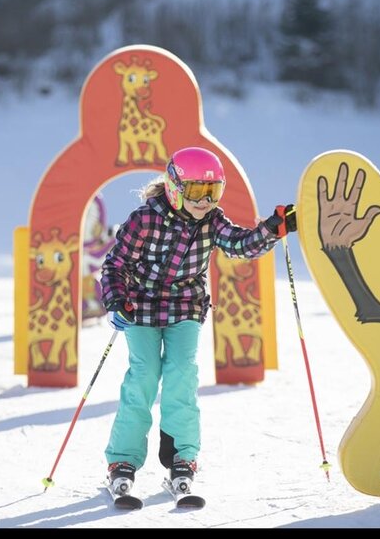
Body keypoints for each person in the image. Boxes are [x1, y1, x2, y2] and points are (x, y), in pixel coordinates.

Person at [100, 146, 297, 499]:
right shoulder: (144, 219)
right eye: (196, 192)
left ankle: (182, 457)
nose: (204, 201)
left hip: (185, 307)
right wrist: (117, 299)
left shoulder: (212, 221)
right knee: (144, 376)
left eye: (212, 192)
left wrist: (272, 229)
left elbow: (240, 245)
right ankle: (122, 460)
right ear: (175, 187)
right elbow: (116, 264)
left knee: (182, 375)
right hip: (140, 306)